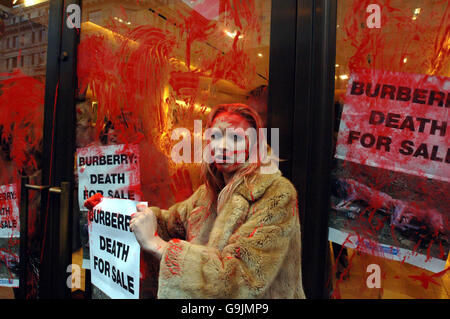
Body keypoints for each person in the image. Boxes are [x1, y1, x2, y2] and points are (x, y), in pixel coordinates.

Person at [86, 103, 306, 298]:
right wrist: (114, 212)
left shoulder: (276, 194)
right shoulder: (208, 192)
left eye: (236, 138)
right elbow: (169, 222)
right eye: (215, 137)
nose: (222, 146)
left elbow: (240, 279)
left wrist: (159, 247)